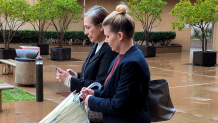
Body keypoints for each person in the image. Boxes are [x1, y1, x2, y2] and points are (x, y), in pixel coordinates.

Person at [80, 4, 151, 123]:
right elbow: (114, 91)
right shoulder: (121, 55)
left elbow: (119, 105)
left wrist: (91, 100)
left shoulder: (132, 63)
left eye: (108, 36)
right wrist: (94, 92)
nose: (106, 40)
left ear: (120, 36)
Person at [56, 6, 118, 93]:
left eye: (88, 28)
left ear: (101, 26)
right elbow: (92, 74)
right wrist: (77, 76)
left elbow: (100, 84)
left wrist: (70, 80)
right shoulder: (97, 44)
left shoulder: (110, 49)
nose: (85, 32)